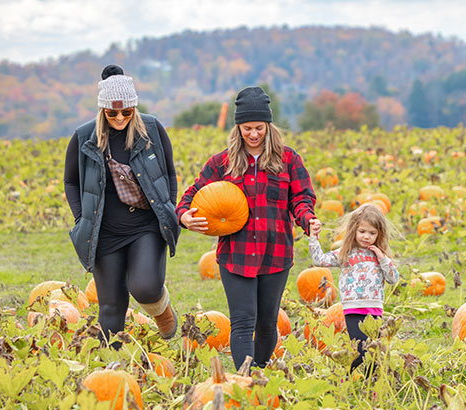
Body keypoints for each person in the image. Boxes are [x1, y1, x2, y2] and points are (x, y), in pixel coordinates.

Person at [176, 86, 318, 371]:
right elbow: (190, 196)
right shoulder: (222, 163)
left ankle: (261, 373)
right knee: (241, 320)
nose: (253, 134)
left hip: (275, 252)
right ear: (237, 128)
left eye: (259, 128)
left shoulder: (288, 159)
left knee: (266, 322)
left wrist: (307, 219)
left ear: (268, 126)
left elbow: (301, 198)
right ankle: (244, 379)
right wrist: (184, 217)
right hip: (235, 254)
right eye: (246, 128)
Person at [64, 64, 179, 348]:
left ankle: (162, 310)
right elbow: (70, 182)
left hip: (145, 226)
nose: (119, 118)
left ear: (134, 108)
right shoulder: (84, 137)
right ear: (102, 109)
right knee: (111, 308)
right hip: (105, 231)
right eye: (112, 113)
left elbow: (170, 173)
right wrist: (82, 219)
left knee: (145, 287)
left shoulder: (151, 129)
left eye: (126, 112)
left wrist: (169, 209)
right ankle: (111, 365)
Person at [308, 203, 399, 375]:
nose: (366, 237)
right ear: (354, 230)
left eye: (372, 233)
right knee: (359, 351)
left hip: (374, 310)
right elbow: (319, 260)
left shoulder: (380, 256)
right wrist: (313, 238)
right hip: (353, 309)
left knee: (373, 352)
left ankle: (370, 385)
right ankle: (348, 379)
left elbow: (393, 278)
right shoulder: (345, 253)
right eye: (362, 231)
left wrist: (383, 258)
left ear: (379, 234)